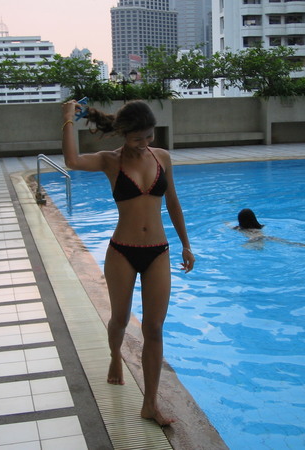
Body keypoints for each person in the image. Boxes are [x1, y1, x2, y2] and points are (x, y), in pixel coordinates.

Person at [61, 99, 195, 426]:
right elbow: (72, 161)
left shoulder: (162, 157)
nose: (144, 143)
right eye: (137, 138)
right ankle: (114, 357)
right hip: (122, 251)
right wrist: (68, 119)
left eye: (149, 136)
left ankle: (150, 404)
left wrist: (186, 244)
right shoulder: (111, 161)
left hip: (158, 251)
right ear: (124, 134)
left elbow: (173, 201)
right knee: (119, 319)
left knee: (154, 328)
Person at [230, 208, 305, 248]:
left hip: (254, 238)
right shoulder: (261, 226)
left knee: (257, 248)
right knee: (289, 243)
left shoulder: (239, 228)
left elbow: (229, 226)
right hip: (264, 236)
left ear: (240, 220)